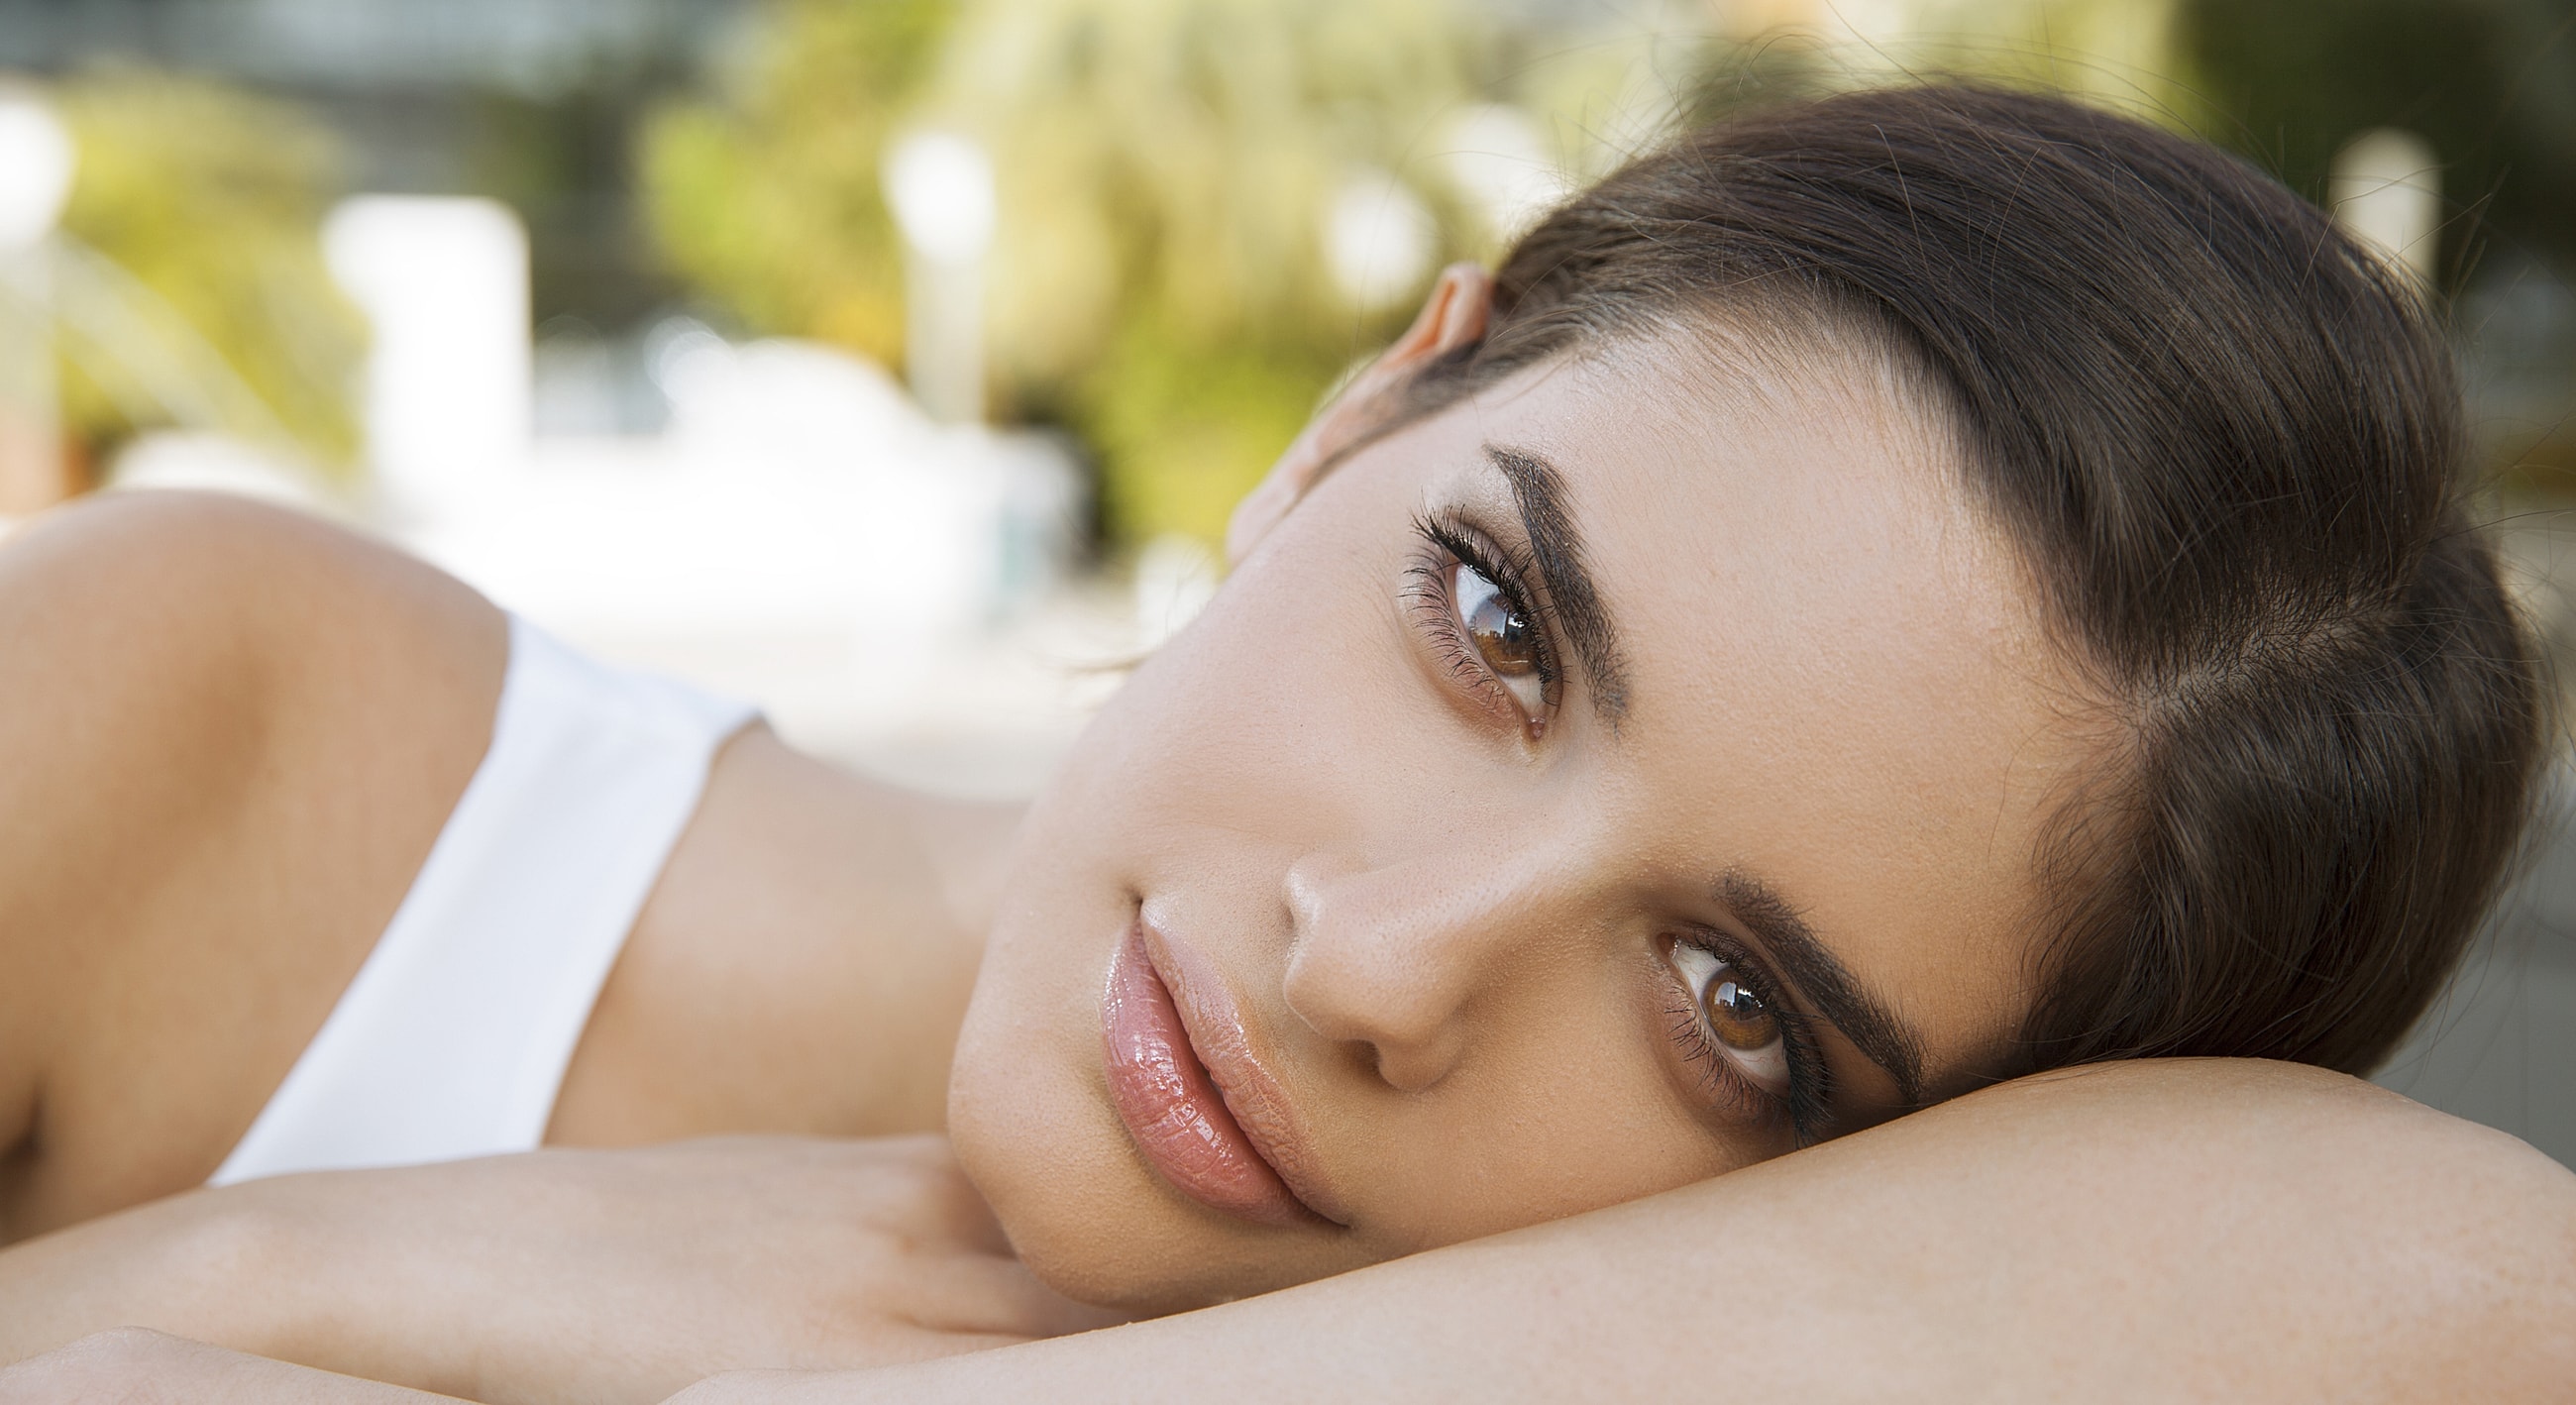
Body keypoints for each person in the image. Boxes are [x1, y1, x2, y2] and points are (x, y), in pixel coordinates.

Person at [2, 83, 2571, 1402]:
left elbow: (2480, 1294)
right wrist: (205, 1281)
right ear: (1359, 416)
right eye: (1494, 616)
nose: (1381, 963)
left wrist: (335, 1273)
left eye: (1735, 1009)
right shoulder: (219, 724)